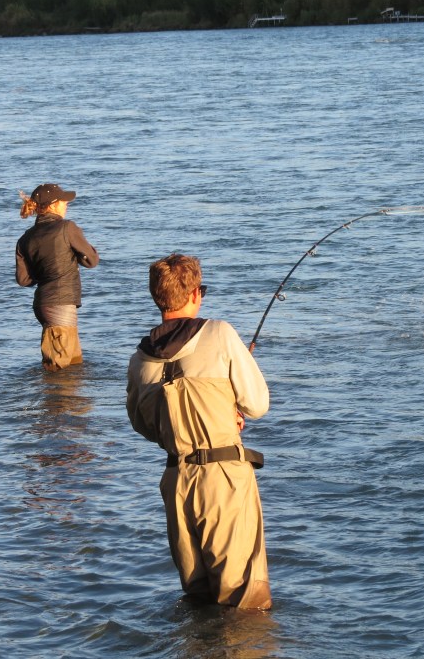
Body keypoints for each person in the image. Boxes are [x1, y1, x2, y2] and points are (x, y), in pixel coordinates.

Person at [126, 253, 272, 610]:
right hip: (223, 480)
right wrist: (224, 415)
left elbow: (144, 425)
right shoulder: (220, 334)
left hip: (176, 482)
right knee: (244, 603)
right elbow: (257, 404)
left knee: (199, 600)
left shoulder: (139, 359)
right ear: (195, 294)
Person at [15, 184, 99, 371]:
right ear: (52, 205)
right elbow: (92, 261)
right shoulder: (67, 228)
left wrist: (45, 271)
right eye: (63, 201)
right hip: (61, 305)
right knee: (60, 370)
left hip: (42, 304)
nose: (66, 204)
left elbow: (23, 280)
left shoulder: (25, 238)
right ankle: (54, 400)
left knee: (72, 366)